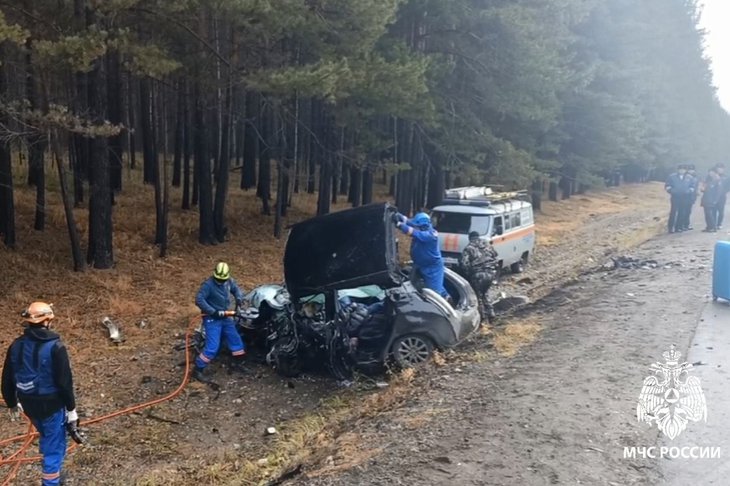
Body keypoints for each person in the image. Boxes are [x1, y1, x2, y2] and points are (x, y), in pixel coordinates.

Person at [2, 302, 81, 486]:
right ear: (47, 321)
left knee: (47, 435)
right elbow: (64, 382)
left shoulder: (16, 345)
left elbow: (7, 377)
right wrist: (71, 410)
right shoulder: (56, 346)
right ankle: (51, 479)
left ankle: (53, 473)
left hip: (28, 403)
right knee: (54, 447)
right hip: (51, 404)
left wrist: (12, 402)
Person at [193, 262, 247, 382]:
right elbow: (199, 299)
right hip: (212, 318)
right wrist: (212, 311)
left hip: (225, 317)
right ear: (215, 275)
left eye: (222, 280)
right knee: (212, 347)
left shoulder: (229, 281)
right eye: (218, 279)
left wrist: (239, 297)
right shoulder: (208, 285)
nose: (220, 282)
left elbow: (236, 289)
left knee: (236, 340)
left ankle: (236, 363)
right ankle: (198, 369)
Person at [392, 212, 449, 298]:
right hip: (419, 264)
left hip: (432, 267)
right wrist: (400, 216)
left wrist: (399, 224)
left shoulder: (430, 235)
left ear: (423, 226)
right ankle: (446, 296)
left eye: (418, 226)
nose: (416, 227)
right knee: (411, 286)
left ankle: (445, 303)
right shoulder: (422, 228)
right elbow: (411, 223)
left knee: (435, 293)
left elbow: (413, 232)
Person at [459, 231, 499, 323]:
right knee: (485, 293)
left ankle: (482, 318)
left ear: (470, 238)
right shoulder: (487, 245)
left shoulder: (468, 248)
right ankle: (491, 314)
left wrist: (468, 274)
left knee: (478, 296)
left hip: (478, 275)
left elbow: (464, 264)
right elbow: (496, 256)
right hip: (490, 273)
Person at [664, 164, 692, 233]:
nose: (682, 171)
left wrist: (688, 191)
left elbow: (692, 186)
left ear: (685, 170)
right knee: (673, 212)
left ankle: (678, 227)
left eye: (683, 169)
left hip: (684, 197)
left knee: (682, 212)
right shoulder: (672, 177)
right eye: (680, 169)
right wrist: (672, 191)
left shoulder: (689, 177)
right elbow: (667, 185)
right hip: (675, 197)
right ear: (678, 170)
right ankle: (671, 227)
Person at [701, 168, 722, 233]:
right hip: (706, 199)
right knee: (707, 214)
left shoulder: (717, 180)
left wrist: (716, 200)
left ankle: (713, 227)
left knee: (710, 214)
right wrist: (702, 189)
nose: (710, 173)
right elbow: (703, 189)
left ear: (715, 173)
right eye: (709, 172)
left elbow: (718, 192)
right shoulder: (707, 180)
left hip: (712, 199)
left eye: (712, 172)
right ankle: (709, 227)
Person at [683, 164, 699, 231]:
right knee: (683, 211)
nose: (691, 171)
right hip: (684, 196)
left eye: (692, 170)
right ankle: (682, 224)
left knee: (688, 211)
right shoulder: (684, 176)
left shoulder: (696, 177)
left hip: (691, 196)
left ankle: (686, 224)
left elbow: (696, 187)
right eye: (689, 169)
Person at [716, 163, 728, 229]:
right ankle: (713, 223)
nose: (720, 170)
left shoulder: (726, 177)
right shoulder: (713, 176)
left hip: (722, 196)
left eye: (721, 168)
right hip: (713, 196)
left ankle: (719, 223)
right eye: (718, 168)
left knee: (721, 210)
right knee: (713, 210)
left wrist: (724, 191)